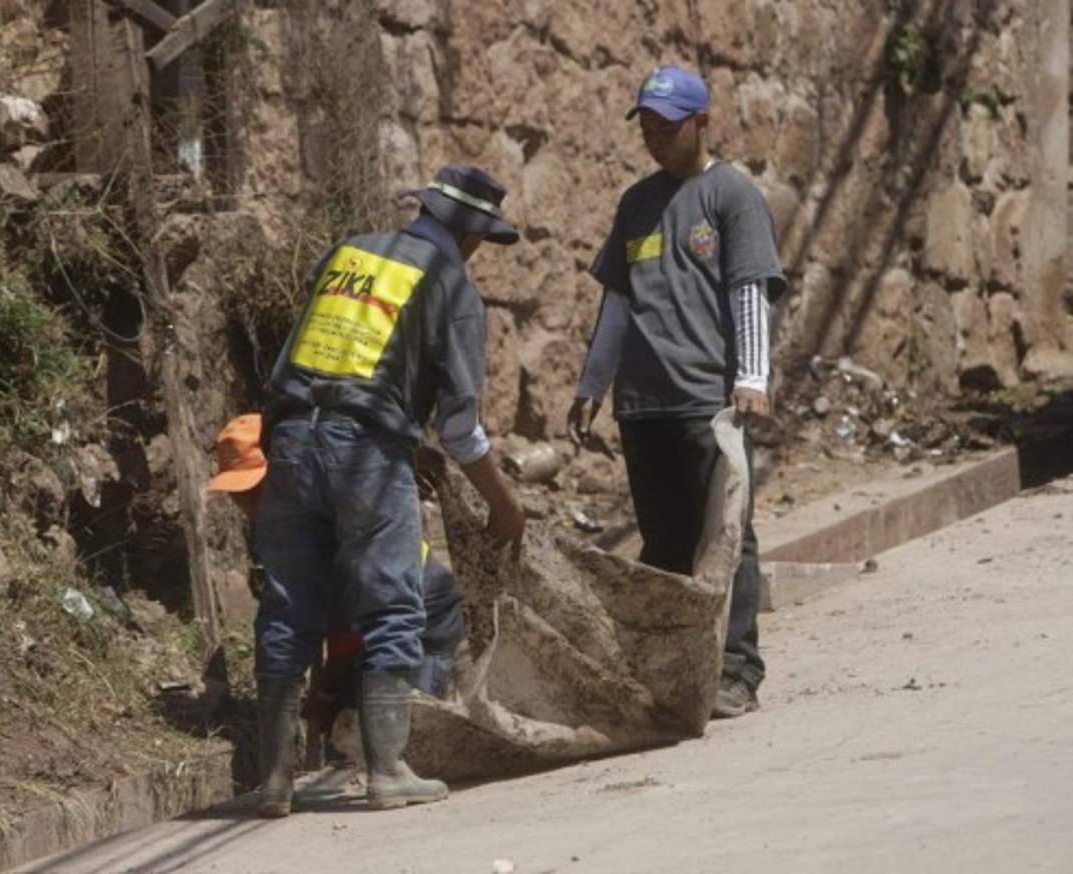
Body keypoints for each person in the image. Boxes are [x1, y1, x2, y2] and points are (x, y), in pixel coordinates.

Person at [251, 165, 525, 816]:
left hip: (289, 438)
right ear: (469, 234)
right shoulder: (450, 282)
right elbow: (460, 429)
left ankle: (273, 780)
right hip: (368, 450)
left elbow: (291, 362)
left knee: (287, 609)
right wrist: (502, 504)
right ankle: (388, 771)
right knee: (393, 608)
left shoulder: (347, 253)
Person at [566, 65, 786, 721]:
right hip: (644, 403)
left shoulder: (731, 197)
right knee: (663, 545)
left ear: (702, 123)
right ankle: (672, 673)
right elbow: (617, 303)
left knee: (726, 535)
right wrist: (591, 384)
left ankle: (738, 670)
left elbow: (748, 288)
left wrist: (752, 377)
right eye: (648, 127)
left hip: (706, 402)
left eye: (668, 126)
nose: (655, 138)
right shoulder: (636, 203)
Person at [205, 414, 465, 735]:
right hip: (372, 610)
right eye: (237, 493)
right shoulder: (286, 518)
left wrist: (325, 689)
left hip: (422, 603)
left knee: (419, 720)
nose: (244, 502)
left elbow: (344, 621)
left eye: (253, 489)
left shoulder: (319, 509)